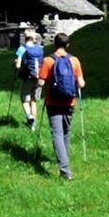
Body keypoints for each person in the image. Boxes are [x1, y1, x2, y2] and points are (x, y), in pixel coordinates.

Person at [37, 32, 85, 181]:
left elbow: (41, 82)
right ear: (68, 45)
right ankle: (65, 160)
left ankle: (65, 170)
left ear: (54, 44)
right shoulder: (75, 61)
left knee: (57, 133)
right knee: (66, 132)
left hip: (53, 102)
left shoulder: (48, 61)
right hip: (70, 101)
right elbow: (81, 83)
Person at [14, 28, 44, 130]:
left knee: (24, 99)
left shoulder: (21, 49)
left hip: (27, 78)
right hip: (38, 78)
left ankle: (29, 116)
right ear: (34, 37)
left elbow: (18, 66)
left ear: (24, 37)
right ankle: (33, 126)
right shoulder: (40, 49)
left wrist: (16, 64)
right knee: (33, 100)